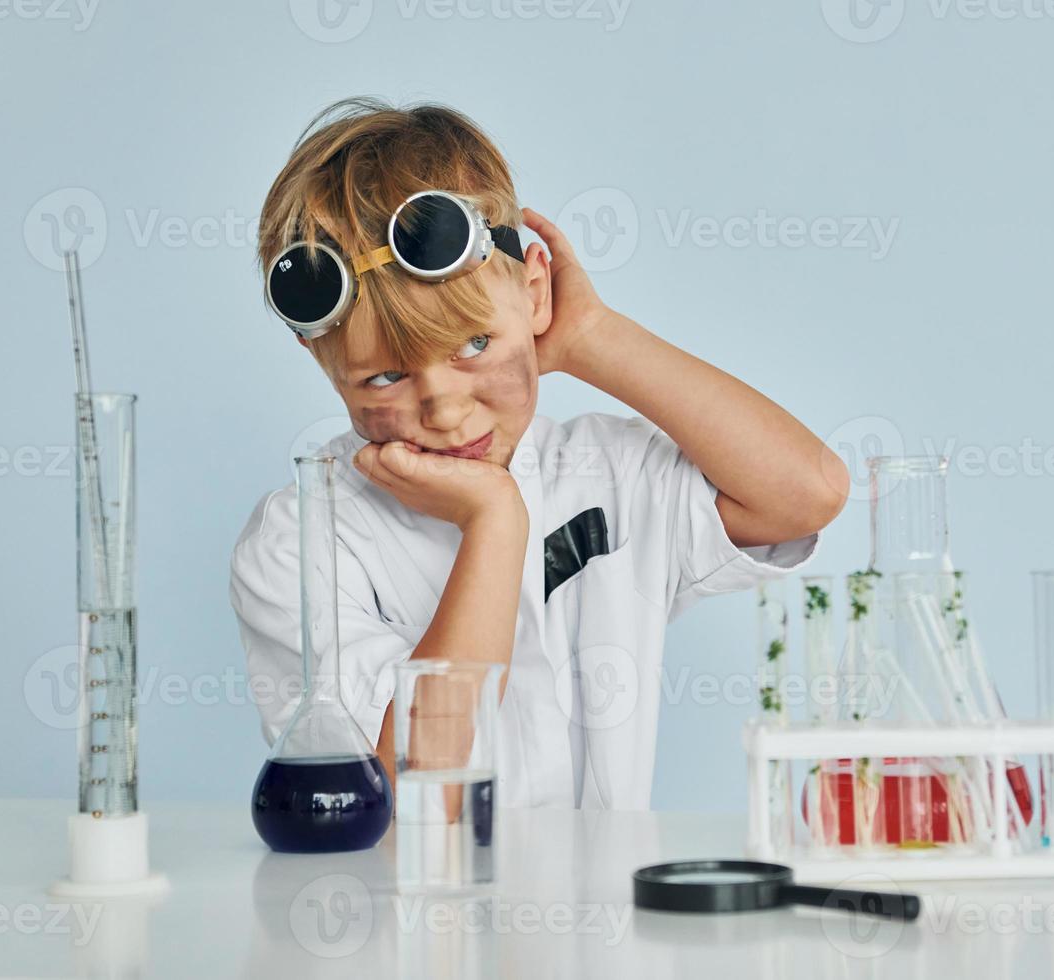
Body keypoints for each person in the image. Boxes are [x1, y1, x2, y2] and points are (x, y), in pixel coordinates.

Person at [230, 98, 849, 809]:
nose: (444, 408)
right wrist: (494, 521)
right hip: (412, 918)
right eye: (386, 376)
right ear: (320, 360)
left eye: (473, 345)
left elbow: (810, 489)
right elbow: (415, 797)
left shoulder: (603, 473)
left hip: (605, 917)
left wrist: (592, 336)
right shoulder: (298, 542)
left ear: (533, 292)